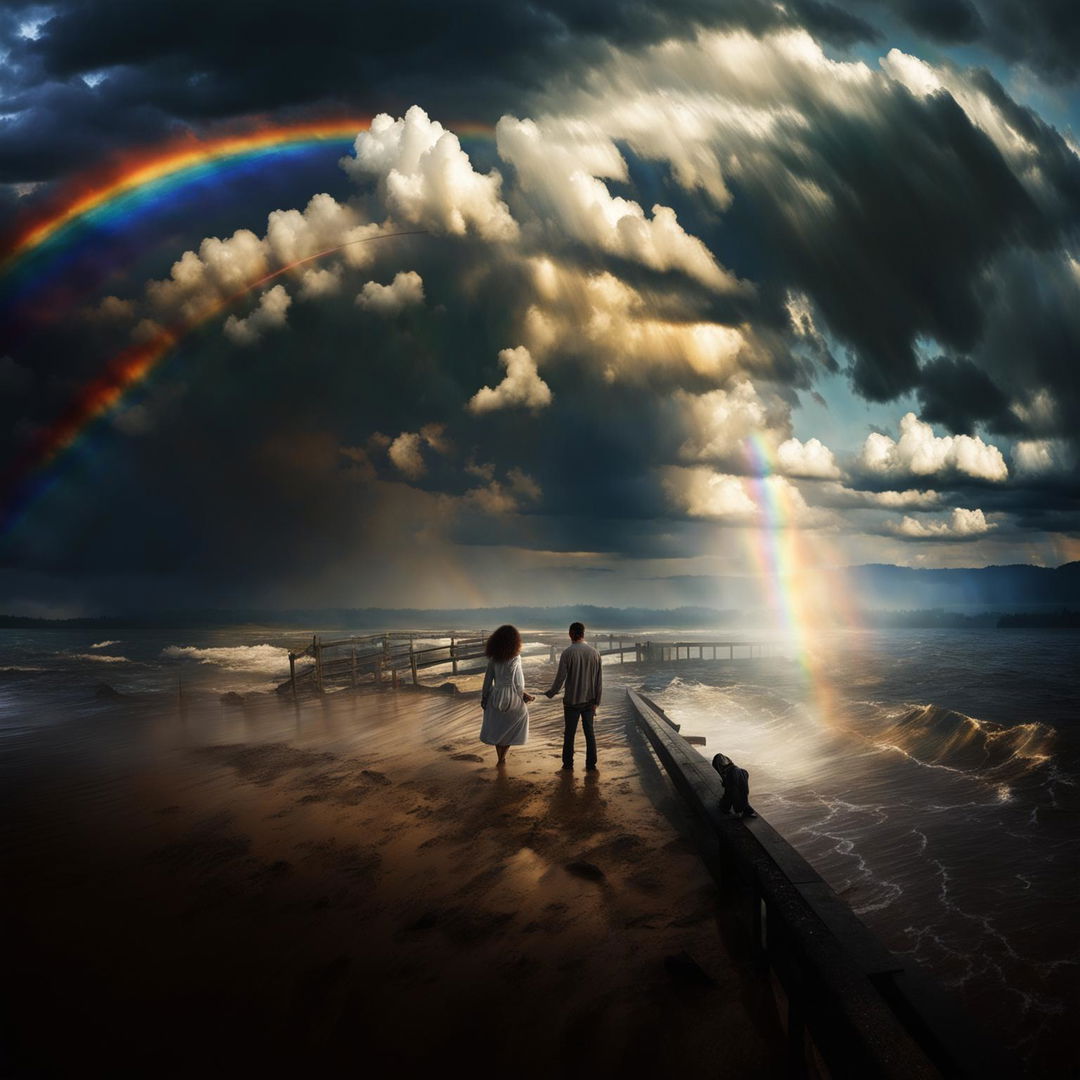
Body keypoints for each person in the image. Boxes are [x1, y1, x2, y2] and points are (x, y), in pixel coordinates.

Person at [545, 621, 602, 771]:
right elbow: (599, 680)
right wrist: (597, 701)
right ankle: (591, 765)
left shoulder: (567, 653)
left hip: (572, 702)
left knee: (569, 734)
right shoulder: (595, 653)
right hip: (590, 701)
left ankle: (568, 765)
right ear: (583, 634)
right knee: (589, 733)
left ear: (571, 634)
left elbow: (560, 678)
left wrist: (551, 693)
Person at [480, 624, 534, 766]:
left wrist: (484, 697)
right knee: (513, 724)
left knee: (498, 727)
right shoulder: (516, 657)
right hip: (511, 697)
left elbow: (487, 680)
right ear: (515, 641)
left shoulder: (493, 658)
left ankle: (500, 758)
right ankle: (503, 757)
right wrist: (523, 696)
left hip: (495, 696)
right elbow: (518, 683)